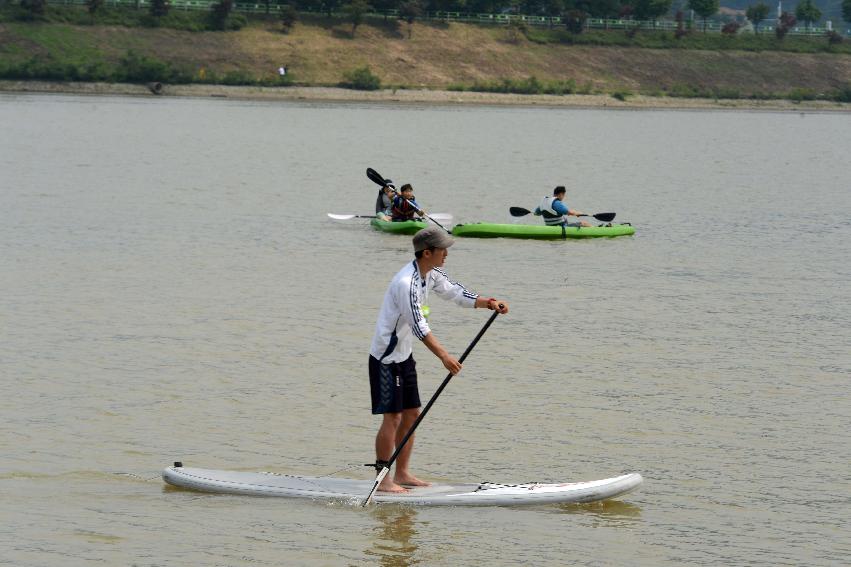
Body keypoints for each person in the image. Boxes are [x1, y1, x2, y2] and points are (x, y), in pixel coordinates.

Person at [368, 226, 509, 493]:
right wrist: (445, 357)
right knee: (393, 417)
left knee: (412, 415)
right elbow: (420, 326)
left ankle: (403, 473)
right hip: (386, 358)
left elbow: (456, 292)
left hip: (404, 355)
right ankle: (382, 478)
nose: (446, 254)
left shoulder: (430, 274)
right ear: (427, 252)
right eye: (442, 250)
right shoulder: (405, 283)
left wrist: (489, 302)